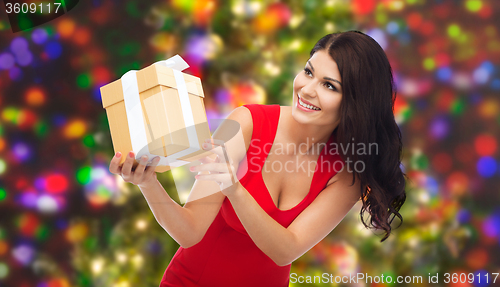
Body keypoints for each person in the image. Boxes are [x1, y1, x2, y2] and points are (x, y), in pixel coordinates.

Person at [108, 30, 407, 287]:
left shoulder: (347, 173)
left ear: (356, 103)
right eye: (308, 72)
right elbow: (189, 232)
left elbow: (285, 251)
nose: (307, 89)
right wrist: (148, 184)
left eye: (329, 86)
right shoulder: (247, 123)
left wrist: (235, 190)